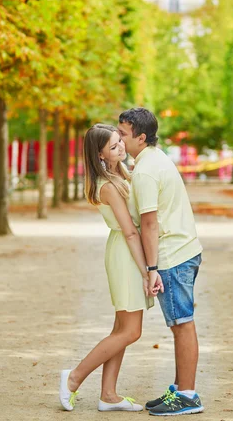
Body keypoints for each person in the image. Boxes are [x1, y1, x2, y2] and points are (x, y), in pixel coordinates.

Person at [59, 123, 162, 413]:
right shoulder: (107, 186)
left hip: (129, 251)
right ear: (100, 155)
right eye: (113, 146)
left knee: (121, 328)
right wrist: (147, 271)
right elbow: (130, 231)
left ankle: (108, 394)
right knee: (131, 331)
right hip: (126, 254)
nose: (121, 147)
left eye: (120, 141)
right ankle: (74, 377)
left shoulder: (122, 174)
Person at [118, 108, 204, 416]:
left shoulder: (145, 171)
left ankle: (189, 396)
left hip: (172, 256)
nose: (118, 137)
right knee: (179, 323)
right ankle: (180, 390)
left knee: (182, 324)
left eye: (123, 134)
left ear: (141, 137)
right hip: (183, 250)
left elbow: (150, 224)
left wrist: (151, 269)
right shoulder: (154, 159)